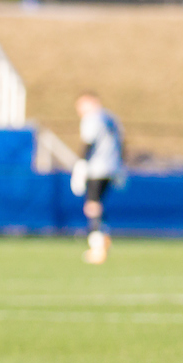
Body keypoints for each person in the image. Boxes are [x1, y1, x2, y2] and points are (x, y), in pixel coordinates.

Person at [73, 92, 123, 264]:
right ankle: (103, 236)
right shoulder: (111, 118)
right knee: (97, 204)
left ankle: (98, 246)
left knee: (92, 205)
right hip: (112, 167)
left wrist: (81, 164)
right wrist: (120, 165)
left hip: (97, 168)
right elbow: (122, 143)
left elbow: (88, 142)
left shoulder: (92, 118)